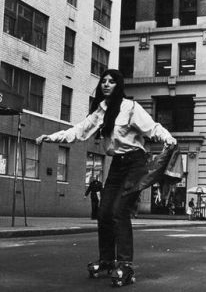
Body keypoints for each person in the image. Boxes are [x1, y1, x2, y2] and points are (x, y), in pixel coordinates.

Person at [36, 69, 176, 286]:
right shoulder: (101, 111)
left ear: (118, 85)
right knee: (104, 212)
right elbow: (79, 131)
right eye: (104, 81)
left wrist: (168, 138)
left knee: (120, 211)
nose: (106, 85)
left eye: (111, 82)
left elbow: (152, 128)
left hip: (135, 162)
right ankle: (107, 260)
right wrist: (51, 137)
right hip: (118, 165)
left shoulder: (130, 107)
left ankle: (126, 264)